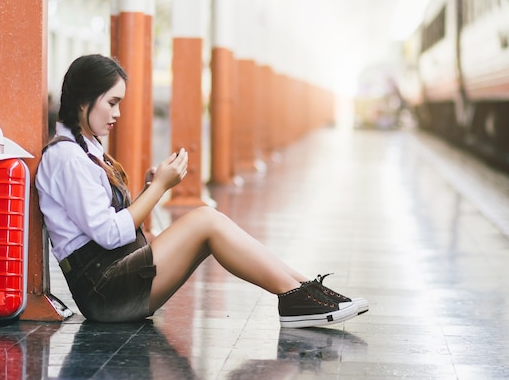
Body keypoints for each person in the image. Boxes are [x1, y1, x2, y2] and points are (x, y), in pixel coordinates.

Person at [36, 54, 369, 328]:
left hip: (114, 280)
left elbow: (107, 227)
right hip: (105, 293)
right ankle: (296, 297)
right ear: (83, 100)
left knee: (210, 222)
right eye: (112, 103)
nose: (117, 114)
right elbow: (109, 234)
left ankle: (303, 290)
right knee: (205, 220)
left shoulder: (83, 150)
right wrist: (160, 189)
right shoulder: (66, 157)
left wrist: (150, 189)